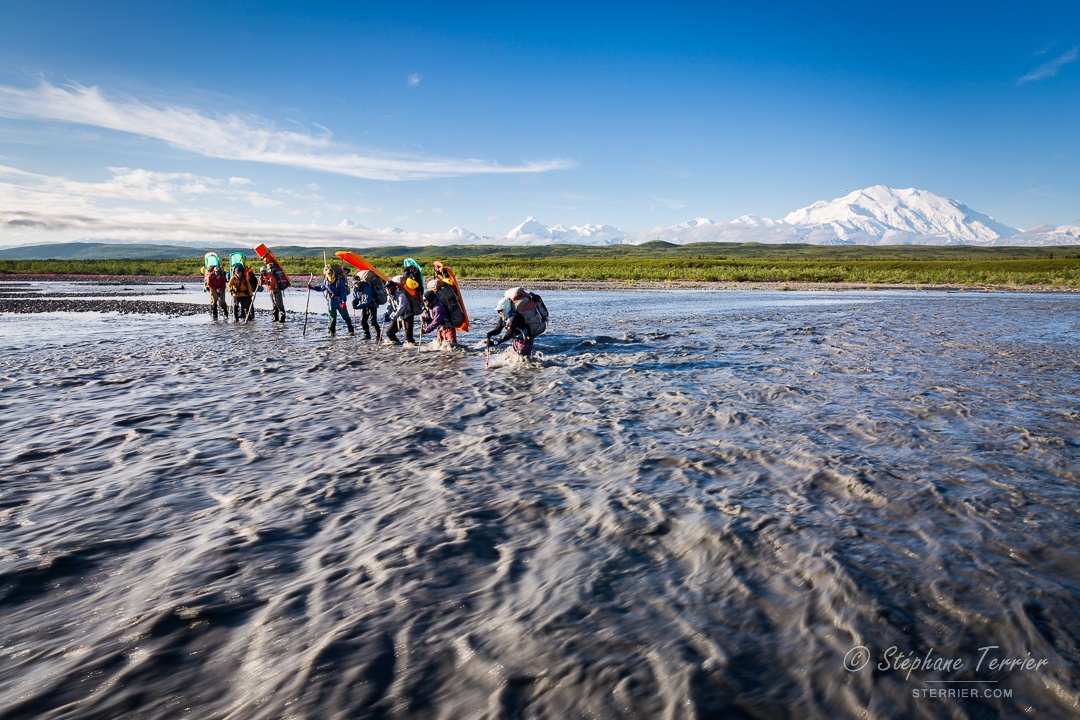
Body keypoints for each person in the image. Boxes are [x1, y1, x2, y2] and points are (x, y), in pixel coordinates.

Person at [486, 288, 548, 358]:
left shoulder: (514, 318)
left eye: (500, 310)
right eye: (498, 311)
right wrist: (489, 335)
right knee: (517, 359)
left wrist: (495, 342)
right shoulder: (504, 316)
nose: (499, 312)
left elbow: (508, 335)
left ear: (506, 308)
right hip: (517, 340)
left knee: (524, 360)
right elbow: (498, 329)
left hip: (526, 340)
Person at [307, 266, 354, 336]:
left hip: (339, 301)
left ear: (333, 273)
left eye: (331, 274)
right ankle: (331, 333)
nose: (330, 275)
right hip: (331, 302)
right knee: (332, 318)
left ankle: (351, 331)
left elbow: (343, 292)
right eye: (328, 274)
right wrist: (313, 288)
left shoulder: (339, 281)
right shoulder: (326, 281)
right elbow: (322, 288)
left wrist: (344, 302)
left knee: (345, 316)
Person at [382, 276, 416, 344]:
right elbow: (389, 307)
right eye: (386, 288)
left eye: (387, 288)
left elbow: (401, 308)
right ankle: (397, 345)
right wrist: (387, 314)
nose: (386, 289)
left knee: (408, 337)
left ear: (392, 288)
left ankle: (413, 348)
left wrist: (393, 317)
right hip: (399, 317)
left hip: (407, 316)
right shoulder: (390, 296)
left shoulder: (401, 296)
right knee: (389, 332)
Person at [351, 270, 382, 342]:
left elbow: (367, 301)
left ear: (359, 281)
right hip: (364, 306)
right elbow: (356, 297)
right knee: (363, 321)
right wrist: (354, 302)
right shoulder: (355, 289)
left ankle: (379, 337)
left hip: (372, 305)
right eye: (355, 283)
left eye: (358, 283)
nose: (357, 284)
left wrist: (358, 307)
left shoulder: (366, 288)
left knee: (373, 321)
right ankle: (367, 336)